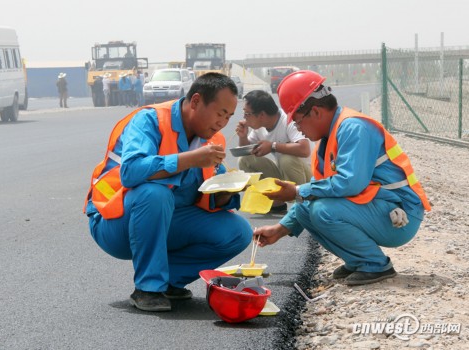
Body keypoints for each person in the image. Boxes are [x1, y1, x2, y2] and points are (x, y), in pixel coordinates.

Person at [84, 72, 252, 312]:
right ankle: (148, 288)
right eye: (219, 113)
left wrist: (227, 191)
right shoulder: (150, 120)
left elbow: (209, 194)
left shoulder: (211, 141)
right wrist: (187, 159)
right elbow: (130, 172)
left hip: (166, 219)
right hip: (115, 221)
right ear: (195, 101)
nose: (222, 123)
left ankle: (168, 281)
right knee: (155, 194)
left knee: (238, 232)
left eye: (228, 116)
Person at [253, 70, 431, 286]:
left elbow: (350, 183)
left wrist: (298, 191)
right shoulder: (329, 138)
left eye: (298, 122)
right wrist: (279, 230)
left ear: (315, 112)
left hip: (400, 214)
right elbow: (319, 191)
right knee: (304, 207)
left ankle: (375, 264)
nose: (298, 129)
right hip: (377, 208)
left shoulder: (353, 128)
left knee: (322, 210)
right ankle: (359, 260)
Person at [235, 90, 312, 213]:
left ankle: (303, 202)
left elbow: (305, 149)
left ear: (261, 115)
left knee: (286, 159)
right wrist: (243, 136)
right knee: (245, 160)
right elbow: (247, 152)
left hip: (307, 177)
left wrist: (272, 146)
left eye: (247, 114)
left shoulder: (288, 120)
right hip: (284, 172)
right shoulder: (259, 127)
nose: (244, 118)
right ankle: (276, 203)